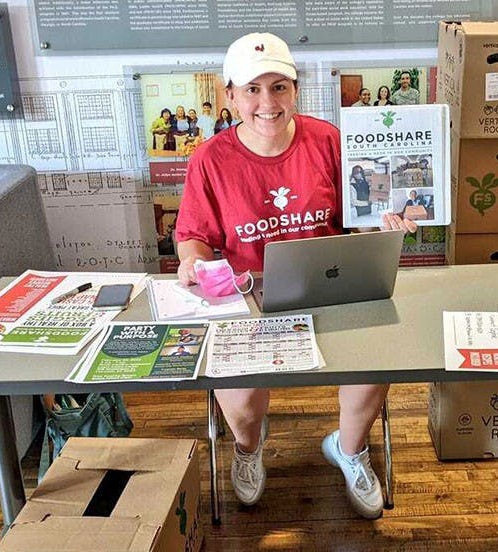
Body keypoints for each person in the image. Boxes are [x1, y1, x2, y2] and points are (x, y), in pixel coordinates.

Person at [175, 32, 416, 520]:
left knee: (376, 358)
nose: (268, 102)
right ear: (231, 97)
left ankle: (348, 450)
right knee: (239, 398)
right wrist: (192, 262)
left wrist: (383, 223)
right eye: (253, 90)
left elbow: (360, 214)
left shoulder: (327, 139)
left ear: (295, 89)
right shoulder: (210, 159)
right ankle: (247, 448)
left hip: (333, 285)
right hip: (252, 297)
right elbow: (193, 236)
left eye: (279, 87)